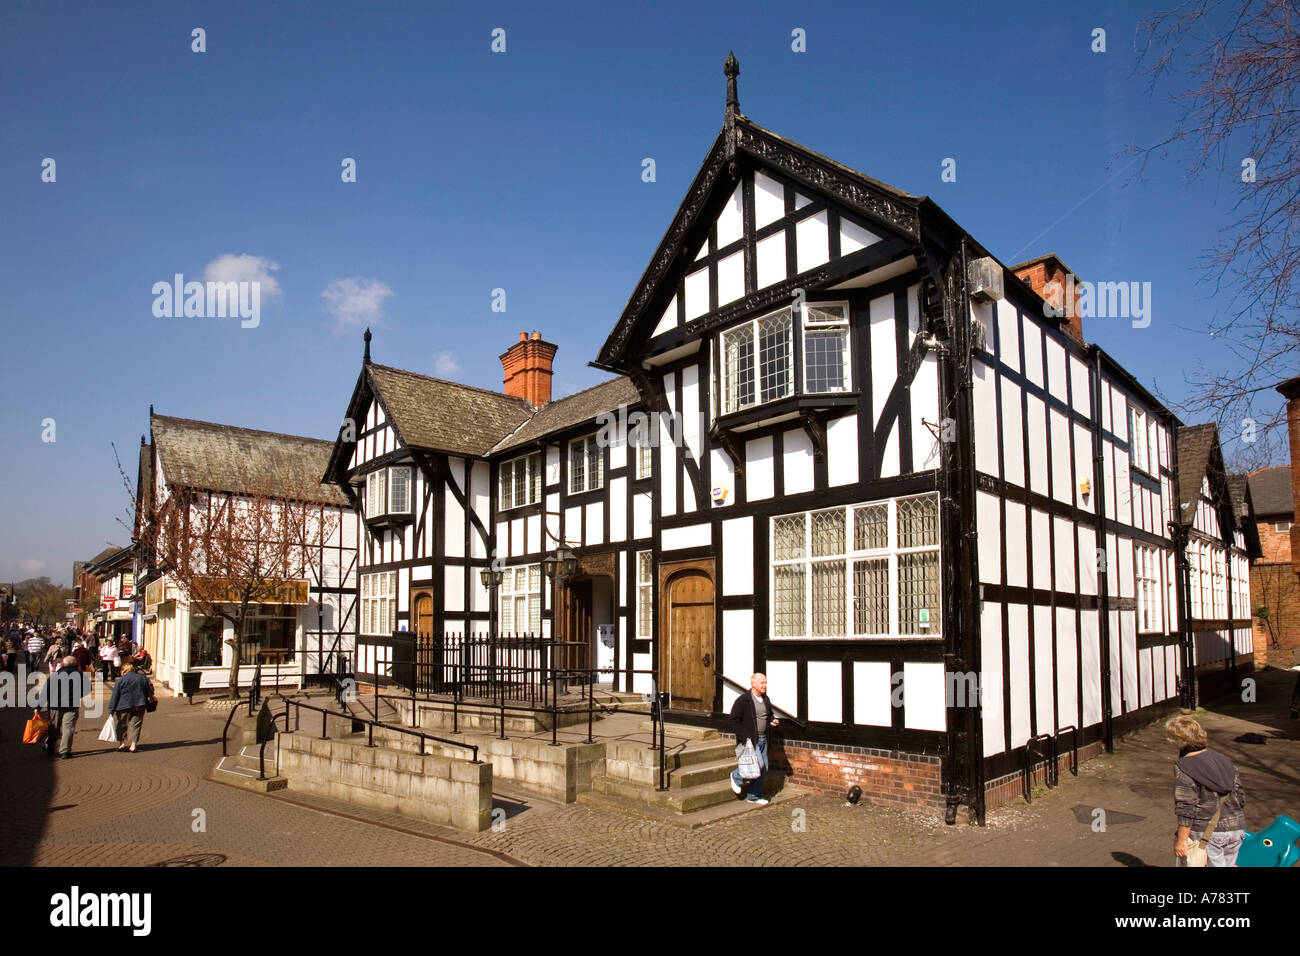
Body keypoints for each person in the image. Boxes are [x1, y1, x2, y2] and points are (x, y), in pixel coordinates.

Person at [1167, 715, 1246, 866]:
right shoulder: (1224, 759)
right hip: (1236, 828)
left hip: (1208, 832)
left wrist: (1182, 840)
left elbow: (1185, 806)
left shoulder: (1184, 766)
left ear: (1176, 741)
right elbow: (1240, 795)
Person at [729, 672, 779, 805]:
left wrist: (772, 720)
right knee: (758, 765)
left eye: (765, 682)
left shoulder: (766, 699)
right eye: (762, 683)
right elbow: (734, 720)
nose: (765, 685)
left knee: (764, 768)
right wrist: (744, 737)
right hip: (751, 740)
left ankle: (753, 796)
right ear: (753, 684)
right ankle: (736, 776)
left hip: (764, 739)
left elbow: (768, 715)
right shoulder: (743, 700)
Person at [37, 655, 88, 759]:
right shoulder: (80, 675)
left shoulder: (56, 675)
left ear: (63, 664)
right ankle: (65, 751)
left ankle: (50, 748)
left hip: (55, 705)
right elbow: (87, 689)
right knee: (68, 728)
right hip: (71, 704)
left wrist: (38, 707)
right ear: (75, 664)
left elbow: (45, 692)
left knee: (53, 728)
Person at [108, 661, 154, 753]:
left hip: (123, 706)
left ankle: (121, 744)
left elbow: (115, 696)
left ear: (124, 671)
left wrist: (111, 709)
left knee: (121, 725)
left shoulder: (120, 680)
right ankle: (133, 745)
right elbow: (151, 690)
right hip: (139, 704)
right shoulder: (143, 678)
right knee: (136, 725)